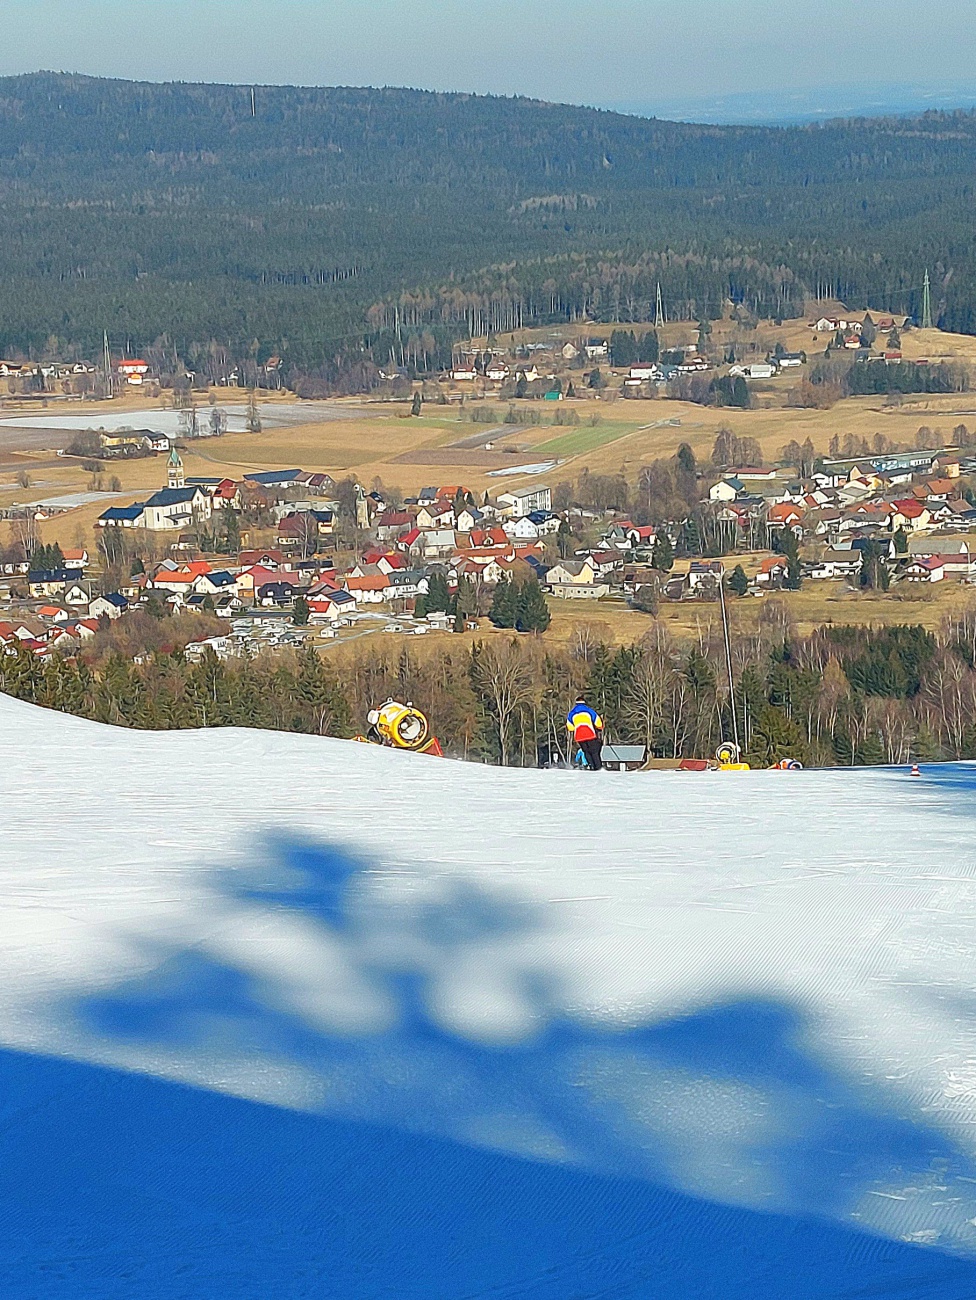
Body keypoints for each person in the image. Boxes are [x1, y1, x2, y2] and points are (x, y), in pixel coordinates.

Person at [567, 696, 604, 771]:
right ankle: (598, 768)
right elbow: (598, 723)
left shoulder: (571, 713)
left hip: (579, 736)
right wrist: (599, 728)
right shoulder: (589, 711)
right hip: (590, 734)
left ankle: (591, 766)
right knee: (594, 751)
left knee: (586, 751)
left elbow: (570, 727)